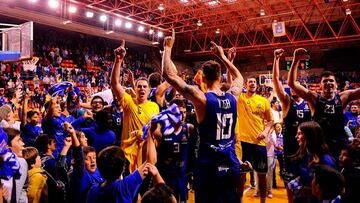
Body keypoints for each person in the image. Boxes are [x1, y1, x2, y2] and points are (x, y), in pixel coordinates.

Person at [161, 30, 244, 202]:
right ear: (220, 77)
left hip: (209, 167)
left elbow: (169, 75)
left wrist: (168, 48)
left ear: (203, 78)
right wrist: (223, 57)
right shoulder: (233, 96)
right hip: (231, 163)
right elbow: (239, 78)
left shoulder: (202, 99)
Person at [288, 48, 360, 159]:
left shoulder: (344, 97)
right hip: (319, 144)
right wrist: (295, 60)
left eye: (331, 81)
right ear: (320, 85)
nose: (328, 83)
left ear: (336, 84)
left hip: (339, 143)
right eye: (325, 81)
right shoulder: (313, 97)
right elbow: (291, 83)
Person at [110, 40, 159, 172]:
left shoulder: (155, 106)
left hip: (147, 155)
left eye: (145, 87)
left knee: (144, 192)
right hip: (128, 155)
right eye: (139, 87)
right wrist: (118, 60)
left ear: (149, 90)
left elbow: (156, 131)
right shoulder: (128, 102)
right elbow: (115, 83)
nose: (142, 89)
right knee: (129, 191)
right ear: (135, 89)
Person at [272, 48, 312, 186]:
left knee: (307, 181)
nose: (294, 88)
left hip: (307, 146)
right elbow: (276, 80)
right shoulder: (287, 101)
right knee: (290, 183)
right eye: (292, 87)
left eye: (297, 86)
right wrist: (276, 60)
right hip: (290, 146)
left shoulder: (309, 103)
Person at [237, 75, 274, 202]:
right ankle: (240, 200)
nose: (252, 83)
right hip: (243, 142)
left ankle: (263, 201)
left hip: (259, 143)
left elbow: (270, 121)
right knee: (241, 175)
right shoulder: (240, 98)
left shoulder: (263, 101)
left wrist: (265, 131)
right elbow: (232, 84)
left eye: (254, 82)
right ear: (246, 85)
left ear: (257, 86)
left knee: (262, 175)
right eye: (250, 82)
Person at [155, 98, 194, 203]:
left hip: (181, 178)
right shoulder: (160, 131)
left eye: (185, 112)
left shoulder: (189, 128)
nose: (183, 116)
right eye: (179, 113)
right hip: (165, 178)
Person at [287, 121, 337, 203]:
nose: (296, 136)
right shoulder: (305, 154)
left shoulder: (326, 161)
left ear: (309, 136)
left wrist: (310, 191)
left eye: (300, 133)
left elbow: (331, 190)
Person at [2, 128, 28, 203]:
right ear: (7, 146)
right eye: (18, 140)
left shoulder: (21, 162)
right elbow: (12, 197)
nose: (23, 143)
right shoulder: (19, 163)